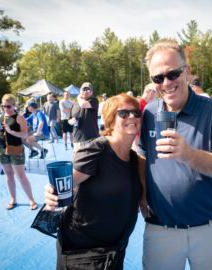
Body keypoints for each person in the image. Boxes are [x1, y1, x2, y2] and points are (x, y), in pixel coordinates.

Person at [139, 39, 212, 269]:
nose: (166, 83)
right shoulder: (149, 112)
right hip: (160, 229)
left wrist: (189, 155)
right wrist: (142, 193)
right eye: (158, 78)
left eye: (173, 74)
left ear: (186, 72)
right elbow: (143, 156)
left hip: (208, 230)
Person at [44, 93, 142, 270]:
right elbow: (68, 182)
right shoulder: (97, 148)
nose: (132, 117)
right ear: (110, 120)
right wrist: (51, 193)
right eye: (124, 113)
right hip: (84, 253)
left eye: (136, 113)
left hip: (114, 251)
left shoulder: (134, 159)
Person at [0, 94, 38, 210]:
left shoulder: (19, 117)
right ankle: (13, 199)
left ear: (14, 106)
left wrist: (10, 131)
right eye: (3, 106)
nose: (6, 109)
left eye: (8, 106)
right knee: (9, 175)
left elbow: (25, 134)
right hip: (1, 148)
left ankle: (31, 200)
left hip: (16, 148)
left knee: (21, 176)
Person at [69, 82, 99, 147]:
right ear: (80, 91)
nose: (85, 91)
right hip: (77, 139)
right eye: (83, 90)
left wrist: (78, 97)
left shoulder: (94, 100)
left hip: (91, 138)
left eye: (88, 90)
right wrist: (72, 121)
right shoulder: (75, 104)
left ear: (92, 92)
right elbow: (69, 119)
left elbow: (83, 105)